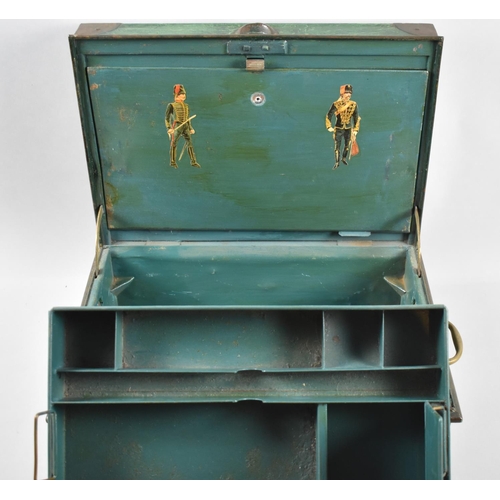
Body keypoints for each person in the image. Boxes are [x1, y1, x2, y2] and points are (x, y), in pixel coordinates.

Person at [165, 84, 201, 168]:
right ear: (177, 95)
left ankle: (193, 161)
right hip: (176, 126)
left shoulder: (186, 106)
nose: (184, 95)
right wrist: (169, 128)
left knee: (190, 143)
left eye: (184, 94)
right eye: (182, 94)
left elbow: (187, 119)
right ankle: (172, 162)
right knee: (174, 143)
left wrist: (190, 128)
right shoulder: (171, 105)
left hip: (185, 127)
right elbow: (167, 118)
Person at [326, 84, 360, 169]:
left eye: (350, 93)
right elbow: (329, 115)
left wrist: (355, 130)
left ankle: (344, 158)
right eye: (346, 93)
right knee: (337, 146)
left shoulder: (353, 104)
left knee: (347, 145)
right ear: (342, 94)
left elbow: (356, 118)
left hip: (348, 128)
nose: (349, 95)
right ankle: (337, 162)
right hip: (338, 128)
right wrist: (329, 127)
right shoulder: (336, 104)